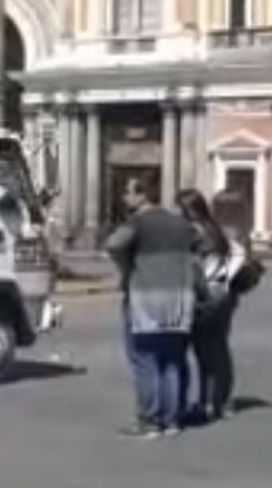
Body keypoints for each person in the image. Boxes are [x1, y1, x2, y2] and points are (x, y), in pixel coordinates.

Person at [105, 178, 202, 438]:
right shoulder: (181, 223)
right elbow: (199, 242)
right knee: (172, 360)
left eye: (127, 193)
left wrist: (127, 266)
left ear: (142, 195)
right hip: (180, 297)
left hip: (147, 296)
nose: (124, 198)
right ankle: (172, 420)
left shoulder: (138, 222)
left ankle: (149, 420)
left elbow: (113, 245)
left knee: (145, 359)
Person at [177, 189, 246, 423]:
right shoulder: (218, 230)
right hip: (224, 293)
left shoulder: (193, 232)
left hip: (205, 294)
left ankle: (206, 401)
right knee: (219, 349)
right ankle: (220, 400)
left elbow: (193, 266)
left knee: (203, 351)